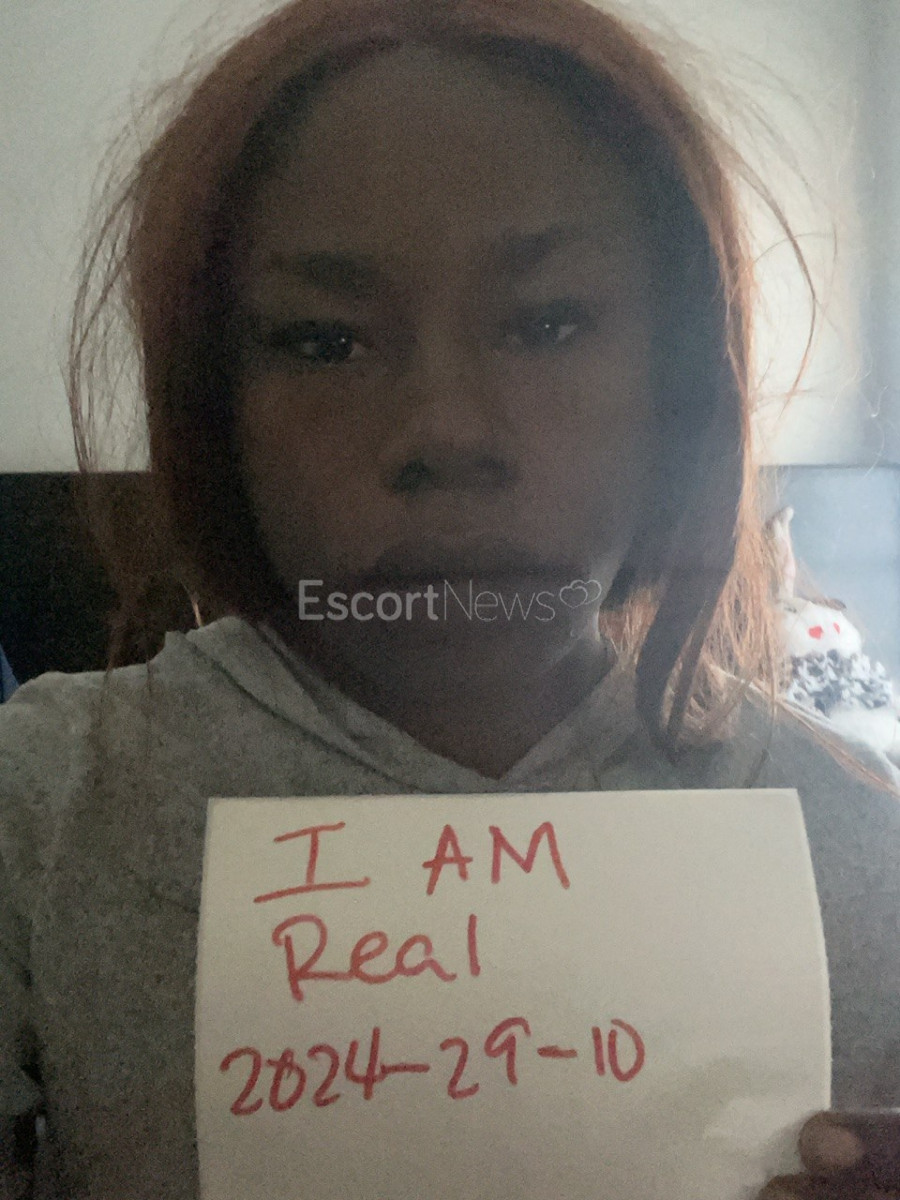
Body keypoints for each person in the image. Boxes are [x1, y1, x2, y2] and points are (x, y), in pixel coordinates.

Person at [1, 0, 898, 1195]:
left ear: (683, 377)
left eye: (549, 322)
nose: (447, 432)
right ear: (216, 404)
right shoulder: (43, 814)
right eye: (325, 341)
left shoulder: (857, 837)